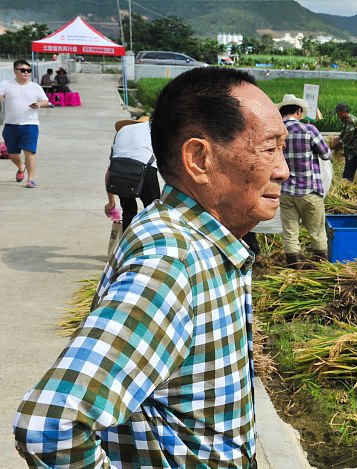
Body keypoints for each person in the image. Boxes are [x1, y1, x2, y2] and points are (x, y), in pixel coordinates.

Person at [14, 67, 288, 467]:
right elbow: (51, 425)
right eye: (269, 148)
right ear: (198, 159)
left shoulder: (206, 240)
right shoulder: (172, 261)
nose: (282, 168)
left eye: (283, 148)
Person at [277, 93, 332, 267]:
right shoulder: (308, 130)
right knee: (317, 232)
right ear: (299, 111)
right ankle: (321, 268)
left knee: (290, 233)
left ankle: (294, 270)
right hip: (309, 190)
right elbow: (326, 154)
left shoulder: (277, 133)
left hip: (285, 191)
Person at [103, 116, 160, 232]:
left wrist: (111, 202)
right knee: (153, 213)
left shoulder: (121, 133)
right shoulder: (151, 128)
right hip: (145, 169)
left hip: (119, 172)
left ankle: (127, 247)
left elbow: (109, 172)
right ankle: (152, 244)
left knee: (128, 211)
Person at [0, 59, 49, 188]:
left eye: (28, 70)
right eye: (23, 70)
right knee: (12, 153)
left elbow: (45, 101)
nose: (26, 73)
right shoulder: (6, 84)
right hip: (11, 124)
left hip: (30, 124)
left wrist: (38, 104)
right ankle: (21, 166)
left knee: (30, 152)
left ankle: (31, 179)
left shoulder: (35, 87)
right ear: (15, 71)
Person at [332, 102, 357, 184]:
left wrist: (338, 144)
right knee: (347, 173)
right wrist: (337, 139)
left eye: (338, 113)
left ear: (343, 112)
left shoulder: (351, 121)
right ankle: (346, 188)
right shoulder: (344, 121)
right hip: (352, 151)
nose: (337, 115)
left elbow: (347, 138)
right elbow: (343, 134)